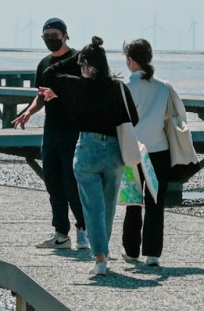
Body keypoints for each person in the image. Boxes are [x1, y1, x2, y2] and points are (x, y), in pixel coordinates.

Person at [38, 37, 137, 275]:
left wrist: (76, 55)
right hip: (114, 151)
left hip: (87, 149)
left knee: (92, 207)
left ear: (85, 65)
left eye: (82, 64)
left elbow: (49, 75)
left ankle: (100, 259)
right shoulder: (119, 87)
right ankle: (103, 253)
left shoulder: (77, 85)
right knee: (108, 206)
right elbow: (133, 118)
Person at [120, 38, 194, 267]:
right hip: (159, 151)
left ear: (131, 60)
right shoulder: (164, 87)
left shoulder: (124, 87)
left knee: (133, 201)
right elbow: (180, 116)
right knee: (155, 202)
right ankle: (153, 253)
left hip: (132, 152)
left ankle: (131, 251)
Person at [15, 19, 86, 250]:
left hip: (73, 131)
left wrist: (62, 95)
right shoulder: (44, 63)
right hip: (51, 131)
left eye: (53, 35)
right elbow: (40, 95)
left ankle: (83, 230)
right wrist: (28, 113)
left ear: (65, 35)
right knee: (53, 182)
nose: (49, 39)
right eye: (45, 36)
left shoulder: (78, 60)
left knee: (71, 181)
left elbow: (89, 94)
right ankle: (60, 234)